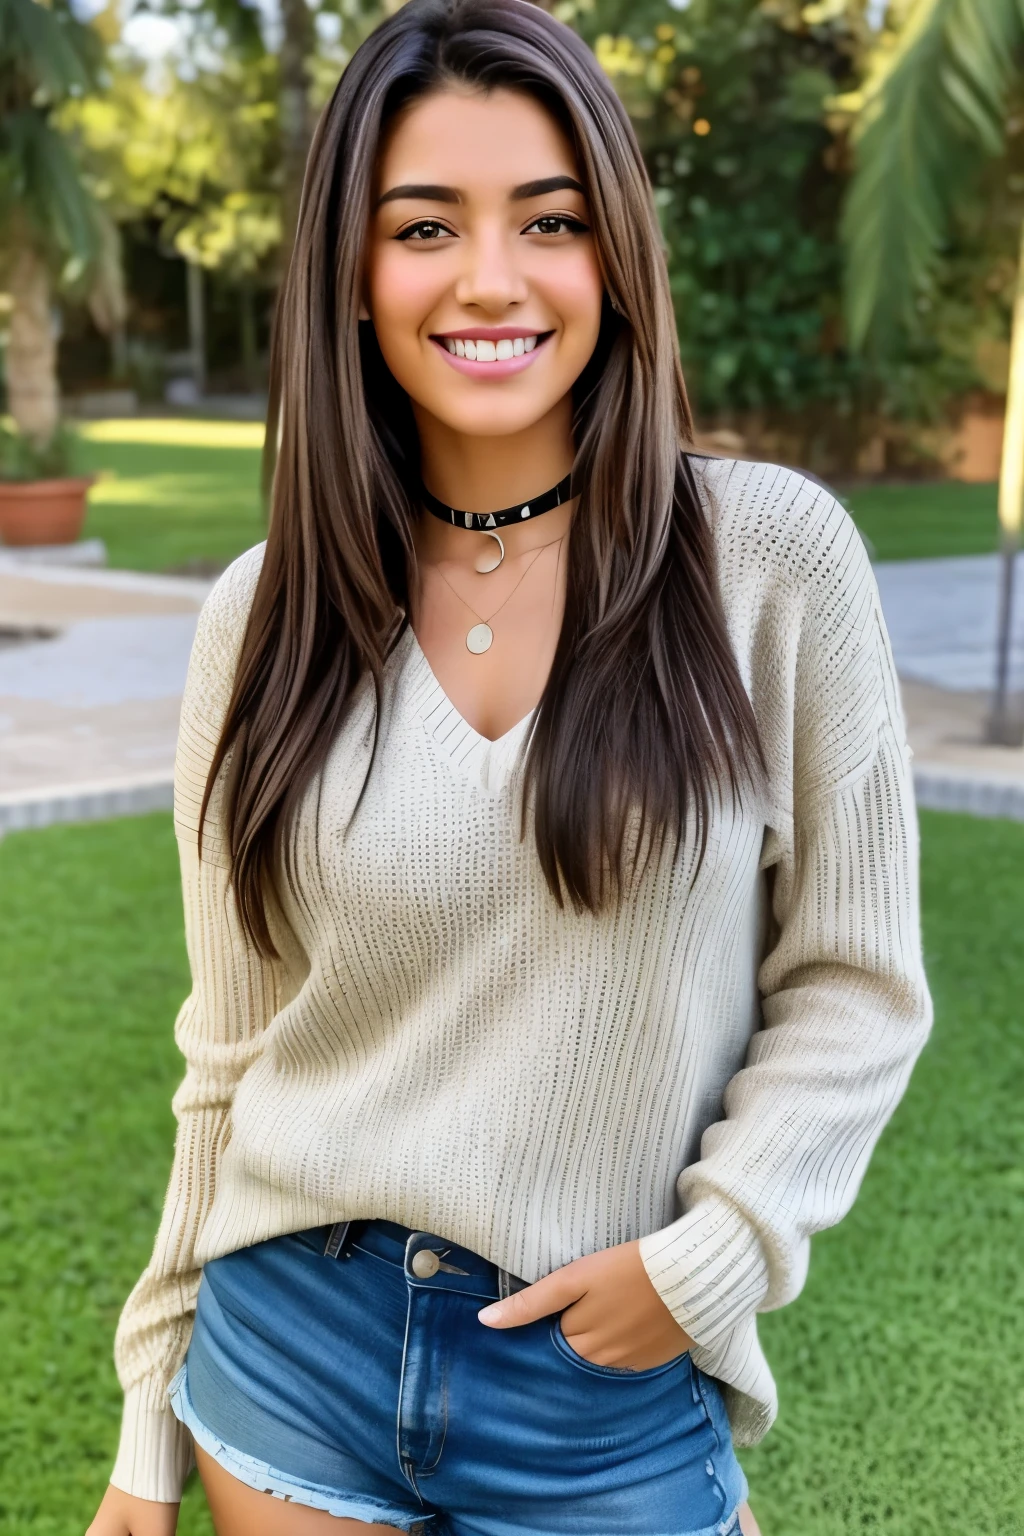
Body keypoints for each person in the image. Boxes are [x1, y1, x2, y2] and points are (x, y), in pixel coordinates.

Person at [87, 2, 932, 1533]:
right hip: (290, 1356)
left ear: (613, 255)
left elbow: (857, 984)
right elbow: (229, 1053)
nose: (490, 279)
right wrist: (149, 1421)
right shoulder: (260, 617)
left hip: (600, 1389)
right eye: (425, 226)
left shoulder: (770, 561)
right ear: (353, 271)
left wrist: (716, 1254)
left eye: (549, 222)